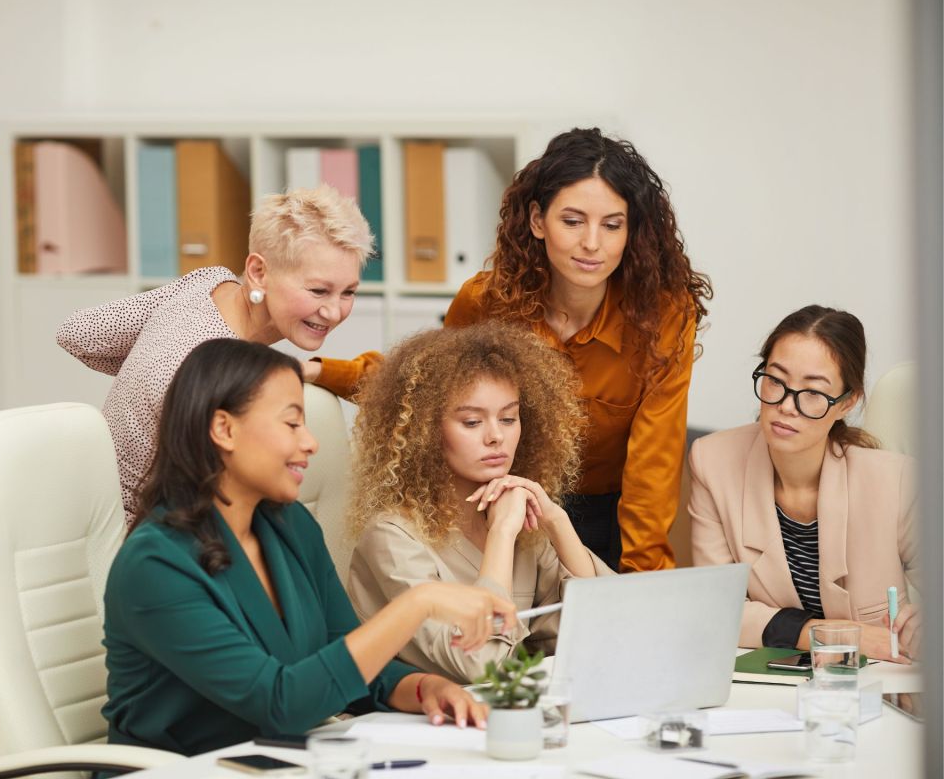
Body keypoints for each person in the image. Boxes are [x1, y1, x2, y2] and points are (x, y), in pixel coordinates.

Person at [312, 128, 712, 572]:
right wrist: (317, 370)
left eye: (612, 225)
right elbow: (422, 382)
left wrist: (642, 585)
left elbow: (652, 467)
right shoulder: (487, 301)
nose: (592, 244)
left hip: (613, 516)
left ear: (631, 229)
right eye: (573, 221)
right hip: (503, 507)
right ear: (538, 221)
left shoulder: (665, 315)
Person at [102, 338, 517, 755]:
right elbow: (280, 705)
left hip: (275, 760)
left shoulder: (290, 526)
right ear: (224, 429)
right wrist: (419, 604)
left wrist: (424, 686)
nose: (311, 443)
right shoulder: (155, 563)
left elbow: (347, 659)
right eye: (292, 423)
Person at [57, 186, 370, 522]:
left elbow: (79, 333)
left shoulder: (207, 282)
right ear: (259, 272)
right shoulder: (222, 378)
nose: (334, 312)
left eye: (348, 292)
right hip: (155, 540)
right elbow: (219, 510)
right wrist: (163, 381)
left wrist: (147, 375)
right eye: (318, 291)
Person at [347, 323, 611, 684]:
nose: (496, 437)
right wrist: (501, 535)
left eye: (508, 418)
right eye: (472, 422)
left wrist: (556, 521)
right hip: (417, 726)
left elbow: (605, 629)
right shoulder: (392, 539)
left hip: (502, 718)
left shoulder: (526, 526)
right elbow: (479, 665)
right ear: (425, 431)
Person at [688, 305, 920, 662]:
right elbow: (714, 609)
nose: (787, 406)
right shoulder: (712, 462)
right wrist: (839, 635)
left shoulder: (897, 480)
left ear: (848, 402)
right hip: (766, 684)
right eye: (776, 380)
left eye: (813, 392)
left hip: (880, 684)